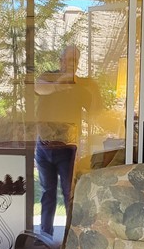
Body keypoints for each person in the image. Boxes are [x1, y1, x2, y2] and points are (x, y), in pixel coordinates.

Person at [33, 45, 101, 237]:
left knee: (69, 194)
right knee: (47, 193)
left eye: (75, 60)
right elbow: (39, 88)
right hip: (43, 146)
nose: (71, 64)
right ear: (60, 61)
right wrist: (61, 83)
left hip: (68, 149)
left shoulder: (81, 85)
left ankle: (72, 239)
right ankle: (45, 236)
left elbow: (95, 110)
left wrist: (90, 88)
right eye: (68, 59)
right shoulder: (48, 76)